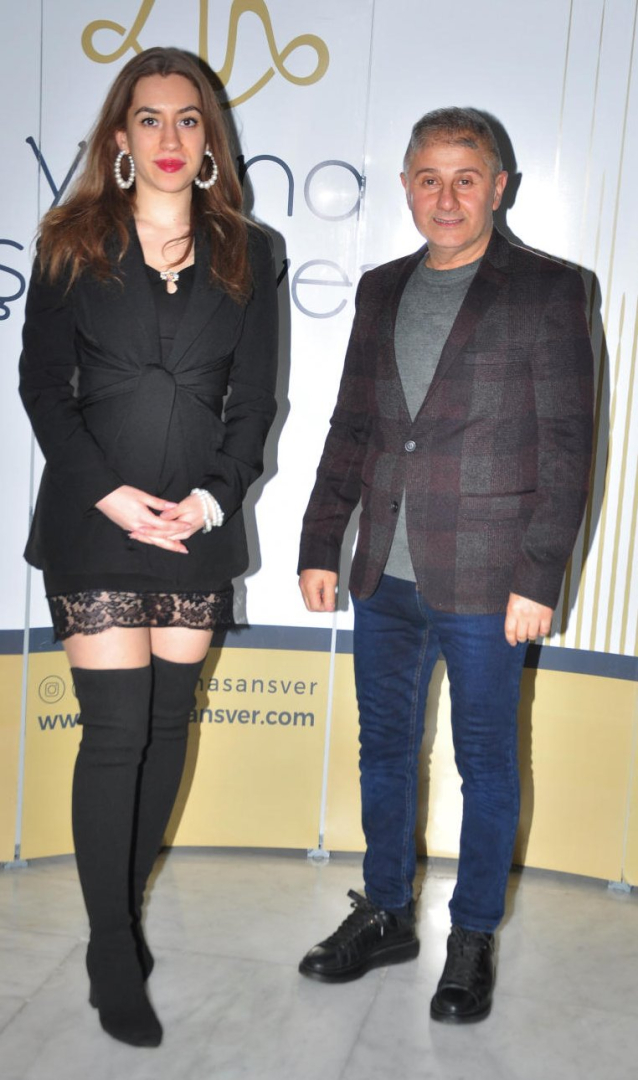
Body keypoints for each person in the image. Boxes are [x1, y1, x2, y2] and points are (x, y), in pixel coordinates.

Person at [297, 108, 593, 1023]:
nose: (447, 197)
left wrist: (539, 576)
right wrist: (321, 540)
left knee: (485, 763)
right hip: (384, 572)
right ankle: (387, 912)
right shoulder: (381, 288)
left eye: (466, 179)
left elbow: (568, 447)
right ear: (406, 187)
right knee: (384, 749)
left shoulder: (551, 290)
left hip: (490, 580)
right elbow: (352, 424)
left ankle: (471, 937)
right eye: (429, 178)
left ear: (499, 186)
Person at [19, 47, 278, 1047]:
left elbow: (254, 402)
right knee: (116, 733)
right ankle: (112, 952)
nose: (169, 137)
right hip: (95, 519)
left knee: (169, 725)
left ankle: (116, 918)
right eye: (149, 118)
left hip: (195, 526)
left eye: (187, 118)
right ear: (119, 136)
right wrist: (111, 495)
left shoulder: (250, 250)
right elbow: (42, 387)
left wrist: (210, 503)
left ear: (210, 137)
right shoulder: (70, 241)